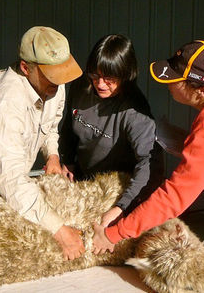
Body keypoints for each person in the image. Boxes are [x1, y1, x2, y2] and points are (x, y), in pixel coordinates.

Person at [92, 39, 204, 254]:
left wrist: (114, 234)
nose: (168, 83)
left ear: (202, 90)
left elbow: (173, 196)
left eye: (175, 79)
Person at [0, 26, 85, 260]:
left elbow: (51, 125)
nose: (60, 82)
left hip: (12, 191)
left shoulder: (53, 85)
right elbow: (10, 177)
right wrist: (60, 231)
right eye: (53, 75)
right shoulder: (6, 101)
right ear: (25, 68)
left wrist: (52, 155)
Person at [59, 34, 164, 227]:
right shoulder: (82, 86)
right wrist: (67, 162)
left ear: (126, 75)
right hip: (82, 179)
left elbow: (149, 164)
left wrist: (122, 207)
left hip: (115, 191)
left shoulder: (135, 111)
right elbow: (68, 127)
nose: (100, 84)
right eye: (95, 76)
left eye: (109, 79)